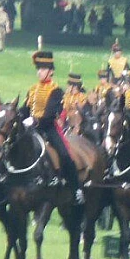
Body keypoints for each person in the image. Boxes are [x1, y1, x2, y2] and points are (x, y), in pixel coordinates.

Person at [22, 51, 84, 204]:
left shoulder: (56, 90)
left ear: (51, 72)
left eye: (43, 69)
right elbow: (24, 109)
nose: (39, 72)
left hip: (48, 128)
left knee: (65, 155)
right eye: (38, 69)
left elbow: (50, 114)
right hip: (30, 129)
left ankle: (76, 189)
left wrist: (34, 121)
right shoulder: (33, 89)